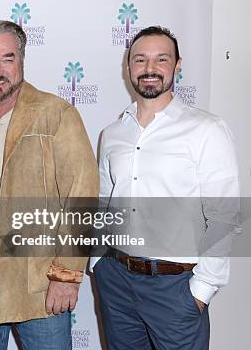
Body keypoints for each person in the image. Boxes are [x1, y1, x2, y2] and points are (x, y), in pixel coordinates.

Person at [92, 26, 241, 350]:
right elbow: (104, 202)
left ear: (177, 65)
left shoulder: (206, 130)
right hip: (116, 281)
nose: (149, 69)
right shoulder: (113, 133)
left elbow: (224, 216)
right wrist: (98, 262)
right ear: (128, 67)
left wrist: (201, 291)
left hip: (176, 288)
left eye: (161, 59)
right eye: (140, 59)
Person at [0, 20, 99, 350]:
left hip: (39, 275)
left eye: (7, 58)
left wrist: (66, 275)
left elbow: (82, 197)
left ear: (22, 61)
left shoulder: (56, 114)